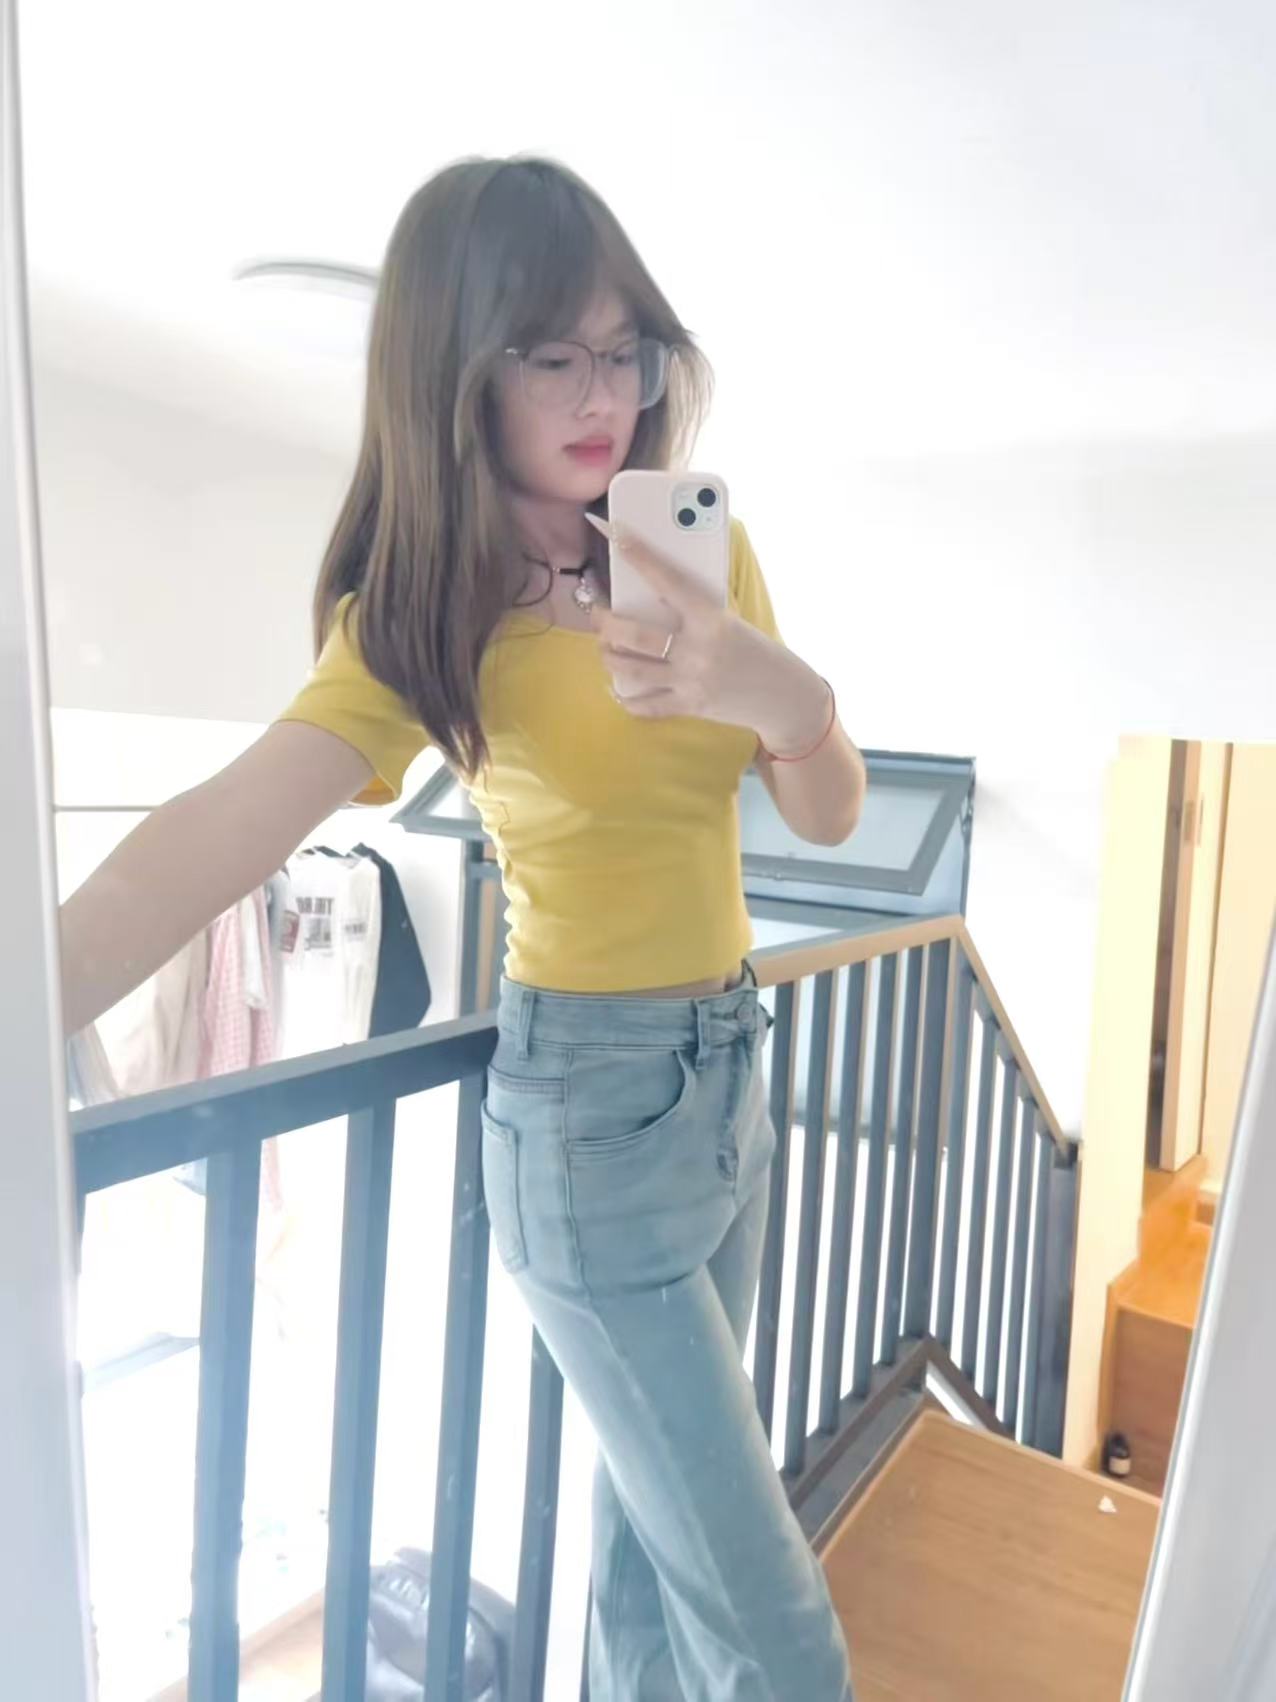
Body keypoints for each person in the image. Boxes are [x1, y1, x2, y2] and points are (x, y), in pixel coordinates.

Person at [60, 156, 865, 1701]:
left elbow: (827, 811)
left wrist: (777, 689)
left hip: (727, 1083)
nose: (604, 393)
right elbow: (230, 823)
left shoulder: (689, 547)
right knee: (781, 1639)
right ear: (456, 366)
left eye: (625, 348)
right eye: (552, 352)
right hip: (588, 1122)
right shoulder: (425, 606)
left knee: (656, 1572)